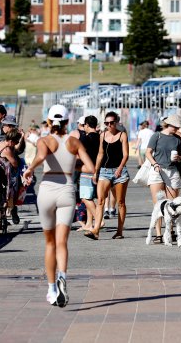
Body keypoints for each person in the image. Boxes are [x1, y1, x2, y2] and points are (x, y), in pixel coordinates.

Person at [22, 105, 94, 307]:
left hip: (47, 190)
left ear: (48, 121)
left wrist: (29, 169)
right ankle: (63, 275)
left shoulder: (45, 140)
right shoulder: (74, 142)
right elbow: (90, 167)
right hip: (67, 191)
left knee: (50, 243)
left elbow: (42, 156)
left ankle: (52, 288)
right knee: (62, 242)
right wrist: (72, 164)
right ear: (66, 122)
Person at [85, 111, 130, 240]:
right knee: (100, 201)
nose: (109, 125)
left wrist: (120, 168)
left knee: (120, 202)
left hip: (119, 172)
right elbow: (100, 154)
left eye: (111, 123)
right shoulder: (102, 135)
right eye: (106, 123)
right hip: (104, 171)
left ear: (116, 123)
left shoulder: (122, 135)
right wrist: (96, 172)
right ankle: (96, 230)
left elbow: (126, 154)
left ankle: (119, 231)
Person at [145, 114, 181, 244]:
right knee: (158, 204)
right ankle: (158, 234)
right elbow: (148, 152)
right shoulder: (157, 136)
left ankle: (169, 232)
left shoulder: (177, 138)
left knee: (173, 203)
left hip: (173, 171)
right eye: (176, 126)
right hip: (157, 170)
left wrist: (180, 158)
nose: (177, 128)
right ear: (169, 125)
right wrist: (155, 164)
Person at [78, 116, 101, 231]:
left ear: (86, 125)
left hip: (87, 170)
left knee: (85, 198)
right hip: (99, 170)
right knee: (91, 198)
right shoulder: (101, 137)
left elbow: (78, 154)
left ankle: (99, 220)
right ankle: (89, 224)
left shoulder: (85, 139)